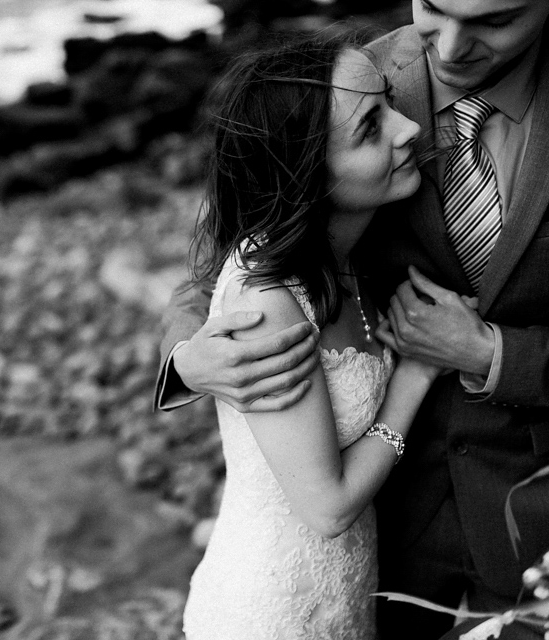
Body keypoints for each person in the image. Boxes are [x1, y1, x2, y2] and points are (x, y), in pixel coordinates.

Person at [159, 1, 549, 638]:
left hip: (531, 517)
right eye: (434, 7)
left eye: (493, 19)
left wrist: (493, 355)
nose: (449, 48)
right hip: (383, 538)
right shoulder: (347, 83)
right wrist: (188, 361)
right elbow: (220, 264)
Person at [179, 33, 435, 640]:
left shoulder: (346, 248)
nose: (409, 130)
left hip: (342, 595)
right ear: (307, 175)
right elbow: (327, 507)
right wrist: (415, 377)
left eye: (389, 104)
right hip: (272, 612)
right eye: (372, 128)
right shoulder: (268, 303)